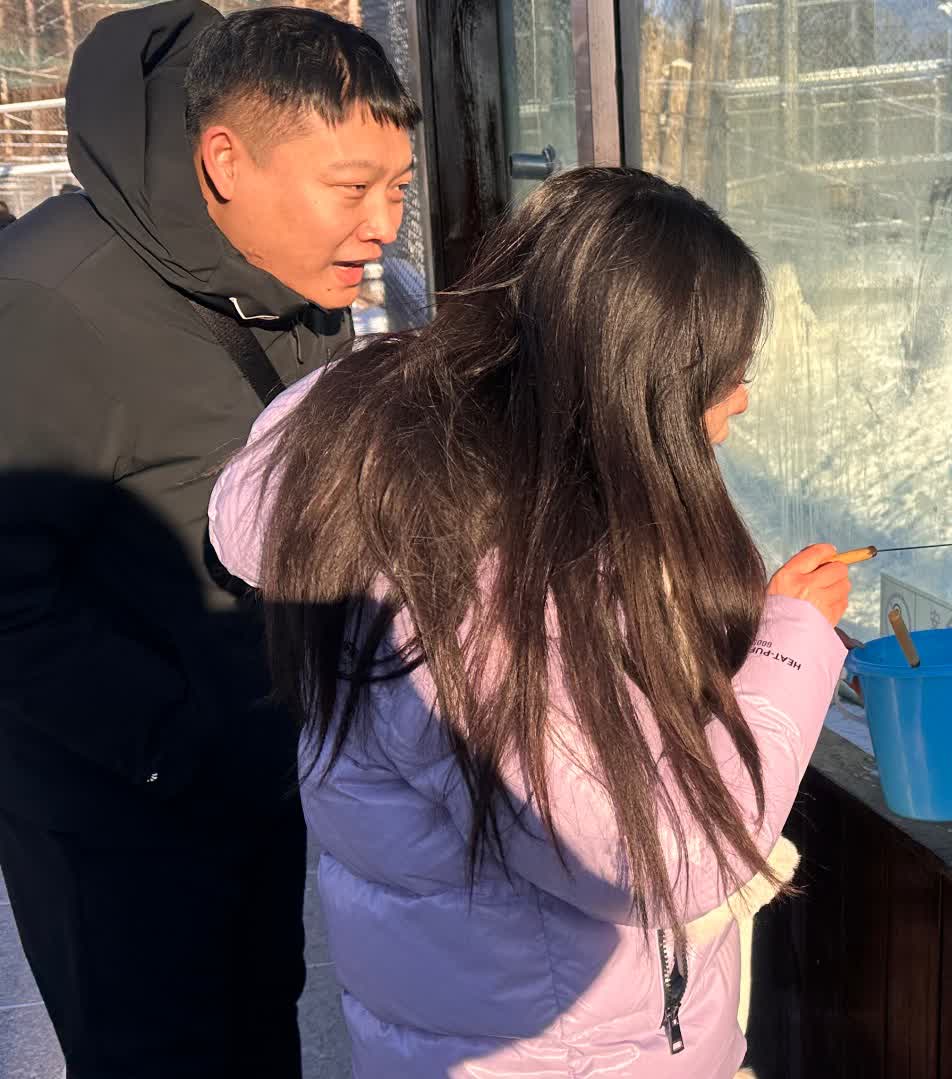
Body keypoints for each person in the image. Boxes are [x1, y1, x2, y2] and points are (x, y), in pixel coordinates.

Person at [207, 166, 852, 1077]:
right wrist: (793, 641)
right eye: (720, 371)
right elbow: (660, 856)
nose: (741, 398)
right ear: (631, 379)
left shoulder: (509, 494)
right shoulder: (464, 595)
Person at [0, 2, 416, 1074]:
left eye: (398, 188)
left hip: (254, 769)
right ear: (227, 160)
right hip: (119, 815)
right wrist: (174, 740)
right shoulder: (48, 304)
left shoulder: (294, 285)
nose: (383, 226)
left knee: (256, 1024)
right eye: (353, 189)